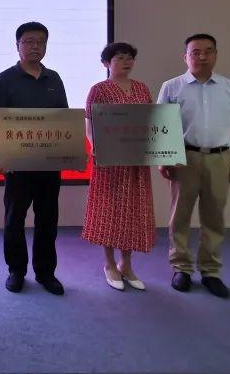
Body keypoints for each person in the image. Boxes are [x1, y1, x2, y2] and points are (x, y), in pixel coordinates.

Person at [157, 33, 230, 298]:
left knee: (214, 216)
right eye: (195, 52)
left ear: (216, 55)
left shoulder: (229, 87)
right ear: (185, 57)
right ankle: (181, 268)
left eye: (208, 51)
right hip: (184, 157)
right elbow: (161, 124)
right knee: (180, 216)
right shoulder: (171, 87)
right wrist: (163, 157)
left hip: (220, 157)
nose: (202, 56)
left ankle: (211, 271)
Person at [0, 21, 68, 295]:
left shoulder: (54, 79)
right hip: (16, 164)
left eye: (41, 42)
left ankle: (46, 272)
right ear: (17, 45)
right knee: (14, 219)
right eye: (29, 41)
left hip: (48, 163)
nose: (35, 47)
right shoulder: (5, 79)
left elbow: (64, 120)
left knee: (48, 219)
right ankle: (16, 270)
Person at [82, 42, 155, 292]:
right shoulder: (99, 90)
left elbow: (151, 123)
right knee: (109, 211)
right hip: (109, 161)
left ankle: (127, 264)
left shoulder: (142, 89)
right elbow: (90, 125)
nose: (126, 62)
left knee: (133, 211)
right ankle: (109, 263)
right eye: (120, 58)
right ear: (106, 63)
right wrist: (96, 145)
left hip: (135, 162)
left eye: (130, 58)